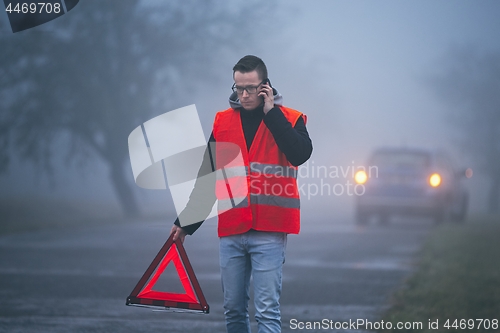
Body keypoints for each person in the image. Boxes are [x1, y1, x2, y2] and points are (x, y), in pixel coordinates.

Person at [170, 55, 312, 333]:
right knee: (234, 311)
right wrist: (186, 222)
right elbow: (208, 177)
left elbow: (299, 154)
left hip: (270, 232)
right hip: (232, 230)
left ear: (265, 87)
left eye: (250, 88)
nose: (244, 95)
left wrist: (271, 113)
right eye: (238, 88)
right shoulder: (223, 122)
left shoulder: (290, 119)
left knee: (267, 312)